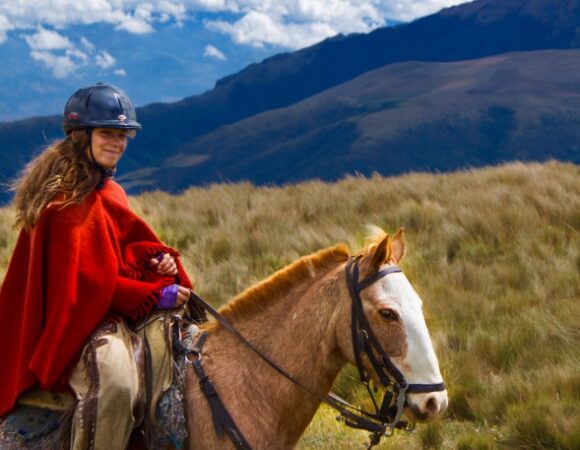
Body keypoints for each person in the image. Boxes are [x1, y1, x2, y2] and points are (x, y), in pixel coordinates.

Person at [0, 83, 203, 449]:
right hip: (80, 322)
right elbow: (84, 286)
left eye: (123, 134)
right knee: (117, 386)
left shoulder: (110, 192)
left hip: (112, 308)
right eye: (107, 133)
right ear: (82, 136)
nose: (118, 142)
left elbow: (116, 257)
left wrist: (156, 264)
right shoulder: (62, 201)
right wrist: (157, 295)